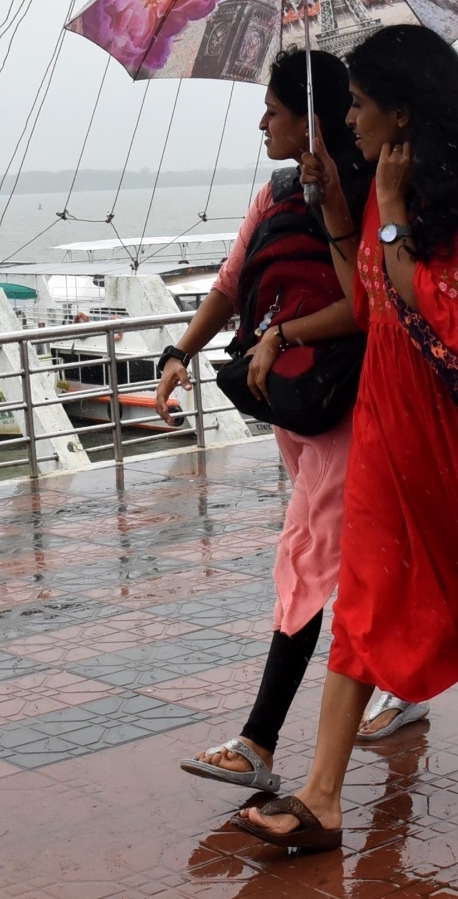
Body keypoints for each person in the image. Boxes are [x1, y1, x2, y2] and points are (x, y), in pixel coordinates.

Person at [234, 25, 458, 853]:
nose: (347, 119)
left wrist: (387, 214)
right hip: (392, 409)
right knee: (364, 585)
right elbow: (369, 305)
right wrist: (323, 243)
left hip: (457, 411)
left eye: (356, 105)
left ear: (400, 108)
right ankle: (321, 795)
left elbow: (437, 307)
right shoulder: (396, 180)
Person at [157, 51, 428, 797]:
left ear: (307, 116)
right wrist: (180, 351)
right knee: (355, 555)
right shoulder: (276, 191)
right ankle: (403, 687)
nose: (261, 123)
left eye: (273, 111)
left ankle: (259, 740)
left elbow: (366, 305)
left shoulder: (372, 191)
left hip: (353, 401)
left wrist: (287, 328)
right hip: (293, 406)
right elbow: (230, 283)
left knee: (306, 553)